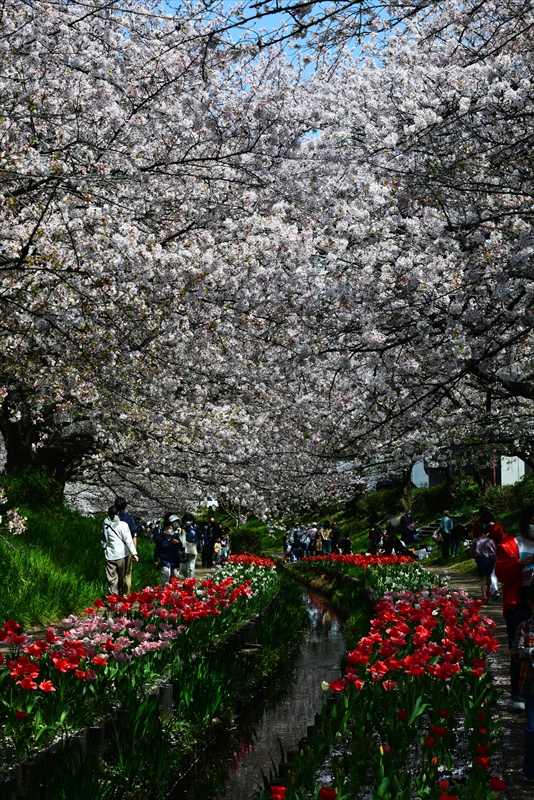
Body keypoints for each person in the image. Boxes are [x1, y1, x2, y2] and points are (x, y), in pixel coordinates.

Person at [496, 504, 534, 712]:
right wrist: (519, 563)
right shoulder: (512, 545)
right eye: (533, 521)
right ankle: (517, 692)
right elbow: (502, 575)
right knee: (519, 648)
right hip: (518, 605)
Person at [511, 582, 534, 781]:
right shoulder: (525, 627)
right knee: (532, 727)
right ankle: (529, 767)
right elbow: (516, 653)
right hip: (531, 685)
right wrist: (532, 653)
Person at [102, 504, 139, 596]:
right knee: (121, 576)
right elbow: (128, 540)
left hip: (110, 555)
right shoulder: (123, 525)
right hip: (122, 554)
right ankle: (120, 596)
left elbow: (104, 540)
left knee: (111, 577)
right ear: (118, 513)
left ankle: (113, 596)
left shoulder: (106, 525)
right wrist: (134, 553)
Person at [153, 514, 185, 586]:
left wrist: (177, 543)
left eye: (170, 528)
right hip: (165, 559)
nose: (169, 530)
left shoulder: (175, 536)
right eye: (167, 528)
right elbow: (157, 550)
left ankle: (174, 589)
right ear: (164, 529)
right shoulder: (160, 538)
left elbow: (181, 546)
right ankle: (164, 589)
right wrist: (156, 560)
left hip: (174, 559)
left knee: (176, 575)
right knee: (166, 573)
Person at [115, 497, 137, 594]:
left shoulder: (112, 519)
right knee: (127, 573)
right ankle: (125, 595)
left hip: (115, 550)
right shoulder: (130, 519)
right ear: (125, 507)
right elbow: (134, 536)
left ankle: (116, 594)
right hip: (127, 549)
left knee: (116, 573)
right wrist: (134, 552)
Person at [471, 524, 497, 600]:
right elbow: (494, 552)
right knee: (489, 575)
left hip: (480, 559)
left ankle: (484, 596)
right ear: (487, 533)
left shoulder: (476, 541)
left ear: (479, 532)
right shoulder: (491, 541)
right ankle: (488, 590)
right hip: (489, 559)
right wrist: (495, 560)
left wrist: (475, 558)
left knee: (482, 579)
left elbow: (473, 552)